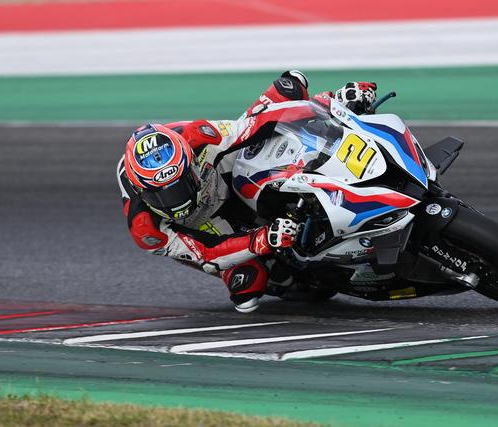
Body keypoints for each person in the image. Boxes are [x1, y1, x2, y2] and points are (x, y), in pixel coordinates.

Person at [116, 71, 377, 313]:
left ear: (190, 162)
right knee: (249, 286)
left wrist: (332, 104)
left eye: (180, 185)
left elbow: (250, 126)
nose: (177, 199)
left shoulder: (198, 136)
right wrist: (263, 239)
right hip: (205, 225)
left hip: (218, 174)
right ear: (142, 191)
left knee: (289, 86)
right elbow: (207, 253)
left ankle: (340, 121)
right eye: (163, 195)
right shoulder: (146, 229)